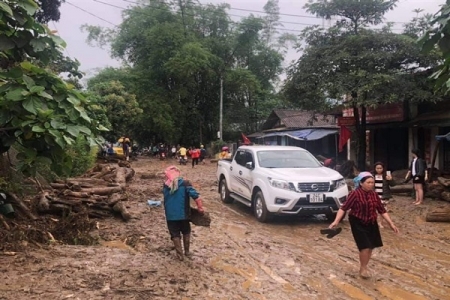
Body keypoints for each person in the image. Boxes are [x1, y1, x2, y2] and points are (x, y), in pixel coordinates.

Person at [329, 172, 399, 279]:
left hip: (371, 222)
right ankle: (363, 268)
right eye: (368, 182)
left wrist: (391, 224)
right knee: (365, 247)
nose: (371, 184)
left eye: (372, 182)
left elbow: (382, 210)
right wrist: (336, 221)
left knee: (371, 247)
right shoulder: (355, 194)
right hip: (357, 222)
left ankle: (365, 266)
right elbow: (344, 208)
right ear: (361, 183)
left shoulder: (374, 195)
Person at [163, 166, 204, 261]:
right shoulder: (185, 183)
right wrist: (200, 208)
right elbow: (196, 197)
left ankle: (180, 255)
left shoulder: (165, 186)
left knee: (175, 234)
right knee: (186, 232)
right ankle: (187, 252)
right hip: (183, 215)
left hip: (170, 216)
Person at [371, 162, 396, 228]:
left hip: (384, 196)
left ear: (383, 168)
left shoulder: (386, 176)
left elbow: (393, 185)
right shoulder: (372, 176)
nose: (379, 170)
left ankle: (380, 222)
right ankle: (374, 222)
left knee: (382, 210)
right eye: (377, 168)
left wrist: (390, 179)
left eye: (380, 168)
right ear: (375, 168)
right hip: (375, 195)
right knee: (374, 210)